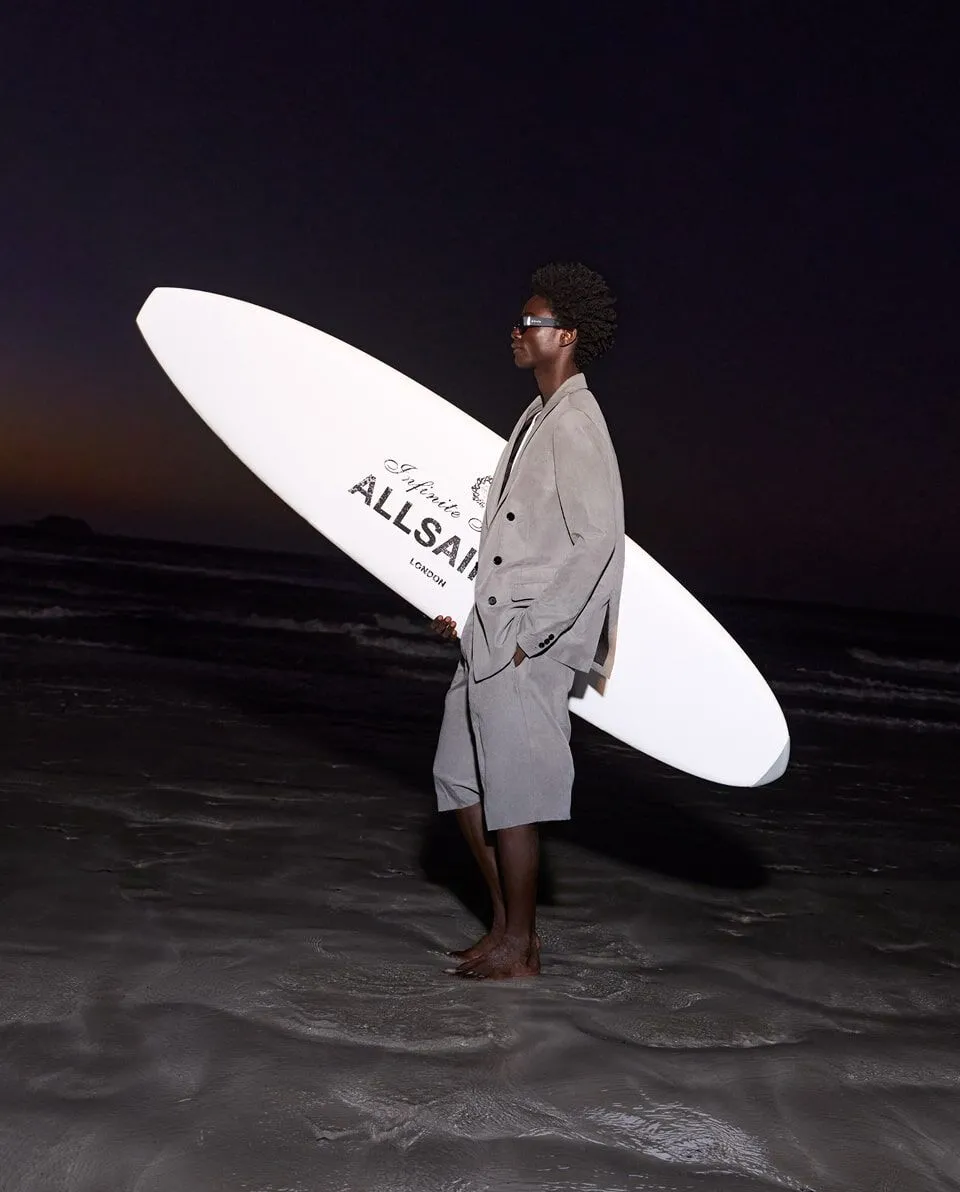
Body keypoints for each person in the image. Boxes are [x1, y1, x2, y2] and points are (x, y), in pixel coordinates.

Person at [431, 261, 624, 979]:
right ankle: (511, 931)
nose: (516, 332)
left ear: (565, 335)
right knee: (460, 781)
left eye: (530, 323)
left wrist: (532, 635)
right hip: (490, 632)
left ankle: (519, 947)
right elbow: (518, 541)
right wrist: (468, 613)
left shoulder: (578, 421)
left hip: (523, 641)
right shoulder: (537, 415)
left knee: (514, 795)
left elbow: (597, 539)